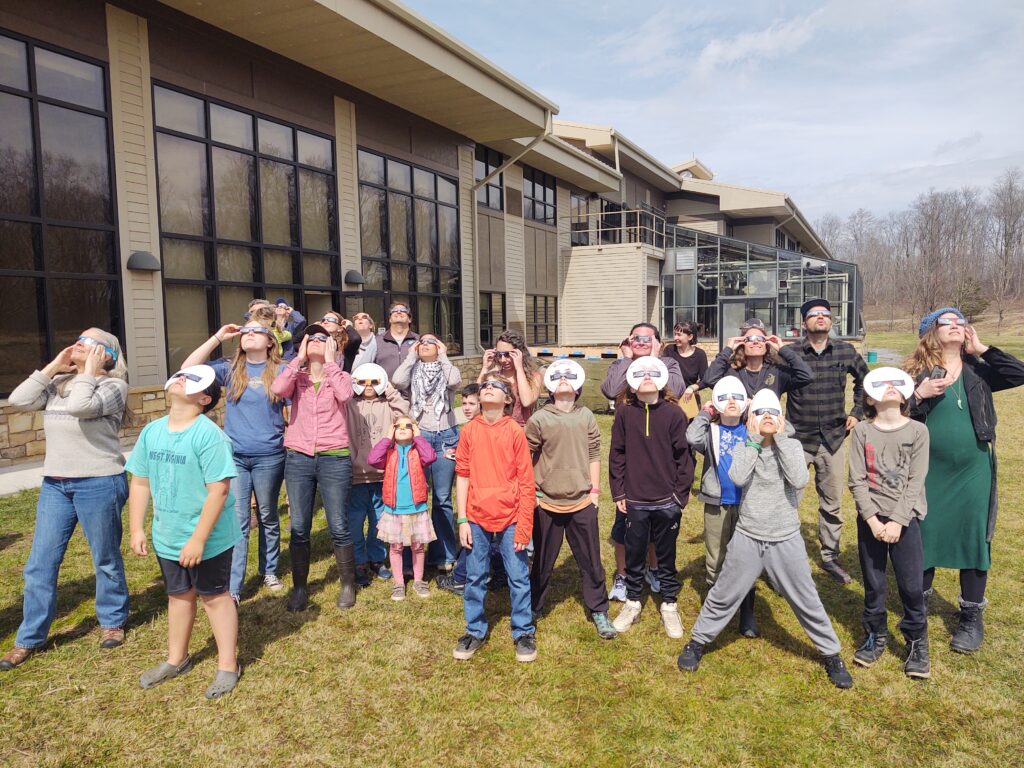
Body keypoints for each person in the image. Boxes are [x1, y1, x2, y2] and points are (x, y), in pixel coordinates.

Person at [677, 389, 854, 689]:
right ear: (750, 420)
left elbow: (799, 479)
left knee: (806, 598)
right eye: (760, 413)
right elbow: (738, 475)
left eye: (773, 413)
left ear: (782, 419)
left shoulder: (793, 446)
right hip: (748, 535)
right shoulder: (747, 444)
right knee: (723, 593)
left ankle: (831, 653)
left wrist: (781, 439)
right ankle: (698, 641)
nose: (767, 418)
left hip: (785, 538)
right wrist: (754, 440)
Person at [1, 330, 132, 671]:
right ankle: (29, 637)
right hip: (56, 484)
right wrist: (53, 367)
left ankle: (113, 621)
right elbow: (18, 400)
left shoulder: (113, 387)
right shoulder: (58, 383)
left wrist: (87, 371)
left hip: (100, 481)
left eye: (89, 342)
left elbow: (80, 406)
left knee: (104, 557)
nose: (79, 343)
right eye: (79, 338)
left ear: (107, 355)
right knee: (39, 564)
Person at [906, 308, 1024, 653]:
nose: (957, 326)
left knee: (974, 538)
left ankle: (971, 617)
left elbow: (1018, 373)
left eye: (960, 322)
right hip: (927, 468)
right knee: (924, 533)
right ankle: (919, 607)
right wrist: (919, 394)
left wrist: (982, 349)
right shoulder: (915, 373)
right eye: (948, 322)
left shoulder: (979, 372)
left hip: (973, 469)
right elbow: (892, 413)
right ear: (930, 332)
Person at [126, 365, 242, 699]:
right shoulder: (152, 431)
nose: (181, 379)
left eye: (192, 381)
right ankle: (177, 659)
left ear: (205, 398)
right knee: (178, 596)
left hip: (209, 539)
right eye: (180, 376)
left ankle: (228, 664)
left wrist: (199, 539)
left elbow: (218, 491)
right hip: (168, 536)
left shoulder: (209, 436)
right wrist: (136, 527)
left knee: (214, 597)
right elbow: (140, 481)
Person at [181, 318, 287, 605]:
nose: (249, 333)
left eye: (257, 331)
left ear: (270, 341)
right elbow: (188, 370)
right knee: (239, 520)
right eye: (246, 331)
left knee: (267, 515)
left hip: (270, 455)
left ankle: (269, 570)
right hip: (236, 456)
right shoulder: (229, 368)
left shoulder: (281, 369)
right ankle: (235, 586)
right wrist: (217, 337)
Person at [848, 367, 931, 678]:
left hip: (905, 519)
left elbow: (916, 479)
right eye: (882, 386)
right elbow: (856, 480)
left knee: (911, 585)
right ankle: (875, 634)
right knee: (874, 583)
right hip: (871, 519)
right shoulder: (861, 432)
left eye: (896, 385)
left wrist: (897, 521)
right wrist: (871, 519)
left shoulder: (918, 432)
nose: (890, 389)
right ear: (869, 398)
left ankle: (916, 640)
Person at [526, 360, 616, 639]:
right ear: (550, 387)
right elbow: (524, 459)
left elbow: (594, 453)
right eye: (558, 377)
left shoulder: (586, 416)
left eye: (569, 377)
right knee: (541, 560)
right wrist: (533, 494)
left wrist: (595, 492)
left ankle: (599, 609)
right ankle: (533, 607)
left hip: (581, 501)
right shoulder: (539, 419)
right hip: (546, 502)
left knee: (591, 560)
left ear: (577, 386)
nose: (563, 380)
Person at [452, 373, 537, 663]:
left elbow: (526, 481)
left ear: (508, 399)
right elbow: (462, 475)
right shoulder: (469, 431)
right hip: (475, 516)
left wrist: (524, 525)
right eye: (485, 385)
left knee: (518, 575)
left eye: (495, 386)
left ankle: (523, 630)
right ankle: (475, 629)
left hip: (512, 516)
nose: (488, 389)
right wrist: (462, 519)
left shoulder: (514, 431)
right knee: (475, 576)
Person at [271, 324, 356, 611]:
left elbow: (346, 396)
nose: (318, 341)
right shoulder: (297, 377)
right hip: (299, 457)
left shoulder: (340, 375)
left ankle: (347, 584)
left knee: (339, 524)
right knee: (299, 526)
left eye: (324, 338)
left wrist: (330, 363)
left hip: (334, 457)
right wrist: (298, 358)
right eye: (312, 337)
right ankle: (299, 587)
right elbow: (277, 389)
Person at [784, 298, 870, 585]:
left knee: (832, 503)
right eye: (814, 314)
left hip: (833, 439)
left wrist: (857, 412)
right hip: (797, 438)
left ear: (831, 322)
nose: (821, 318)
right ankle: (785, 556)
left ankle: (830, 555)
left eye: (825, 314)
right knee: (787, 500)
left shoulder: (845, 350)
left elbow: (865, 383)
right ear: (804, 323)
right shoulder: (791, 352)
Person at [610, 357, 694, 638]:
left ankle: (669, 604)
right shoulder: (624, 413)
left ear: (661, 380)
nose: (646, 378)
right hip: (634, 500)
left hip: (667, 501)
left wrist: (679, 496)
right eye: (640, 374)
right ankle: (633, 601)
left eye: (651, 374)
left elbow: (684, 457)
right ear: (632, 384)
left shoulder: (674, 414)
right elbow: (617, 454)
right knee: (634, 555)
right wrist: (619, 491)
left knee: (666, 556)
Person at [601, 322, 684, 600]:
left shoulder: (669, 364)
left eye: (647, 338)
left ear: (658, 342)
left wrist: (655, 360)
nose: (640, 342)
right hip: (632, 449)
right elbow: (612, 390)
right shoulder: (622, 365)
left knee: (655, 524)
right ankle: (624, 575)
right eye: (635, 338)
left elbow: (677, 389)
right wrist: (628, 359)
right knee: (626, 525)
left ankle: (654, 568)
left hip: (658, 453)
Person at [686, 377, 758, 638]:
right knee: (715, 554)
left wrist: (755, 409)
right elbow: (691, 436)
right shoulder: (711, 431)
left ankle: (747, 610)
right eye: (725, 398)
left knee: (746, 556)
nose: (731, 403)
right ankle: (717, 605)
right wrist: (706, 413)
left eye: (736, 398)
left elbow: (788, 431)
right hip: (717, 502)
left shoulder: (752, 430)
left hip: (747, 503)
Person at [393, 333, 462, 571]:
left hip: (446, 436)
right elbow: (398, 380)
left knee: (442, 498)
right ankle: (413, 555)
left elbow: (455, 381)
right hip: (419, 435)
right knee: (414, 497)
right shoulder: (413, 369)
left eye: (431, 342)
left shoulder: (446, 368)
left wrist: (443, 355)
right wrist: (411, 356)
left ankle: (443, 554)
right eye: (421, 342)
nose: (425, 346)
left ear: (440, 346)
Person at [346, 363, 409, 587]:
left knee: (379, 520)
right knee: (354, 521)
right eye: (363, 382)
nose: (369, 386)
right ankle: (358, 562)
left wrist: (389, 389)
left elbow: (404, 413)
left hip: (382, 475)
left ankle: (376, 558)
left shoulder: (387, 405)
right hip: (356, 475)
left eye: (374, 382)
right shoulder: (349, 405)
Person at [368, 417, 438, 600]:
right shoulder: (389, 452)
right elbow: (373, 459)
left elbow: (430, 457)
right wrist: (386, 438)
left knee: (418, 546)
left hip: (416, 507)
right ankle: (398, 583)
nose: (403, 428)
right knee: (396, 546)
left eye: (408, 426)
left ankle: (418, 580)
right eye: (398, 426)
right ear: (392, 430)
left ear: (414, 430)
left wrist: (419, 437)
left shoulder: (418, 451)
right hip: (394, 509)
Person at [702, 317, 814, 399]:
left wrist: (782, 349)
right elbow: (709, 380)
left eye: (760, 338)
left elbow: (806, 376)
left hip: (767, 428)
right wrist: (728, 349)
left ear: (766, 345)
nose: (755, 341)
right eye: (750, 338)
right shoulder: (731, 371)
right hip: (739, 429)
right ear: (742, 344)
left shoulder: (777, 371)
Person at [479, 328, 543, 426]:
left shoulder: (534, 377)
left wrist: (519, 368)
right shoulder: (494, 375)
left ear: (520, 353)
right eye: (499, 355)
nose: (503, 359)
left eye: (508, 354)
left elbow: (527, 402)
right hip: (497, 430)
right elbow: (475, 398)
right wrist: (485, 367)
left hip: (521, 431)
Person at [662, 320, 708, 406]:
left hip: (689, 400)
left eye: (679, 335)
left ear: (690, 337)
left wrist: (692, 388)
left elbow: (705, 380)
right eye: (675, 334)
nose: (675, 338)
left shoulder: (700, 355)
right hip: (670, 399)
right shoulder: (669, 350)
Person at [376, 302, 419, 382]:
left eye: (403, 310)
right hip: (386, 392)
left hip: (413, 392)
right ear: (390, 319)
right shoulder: (377, 341)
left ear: (409, 319)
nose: (399, 312)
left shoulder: (419, 341)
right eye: (395, 310)